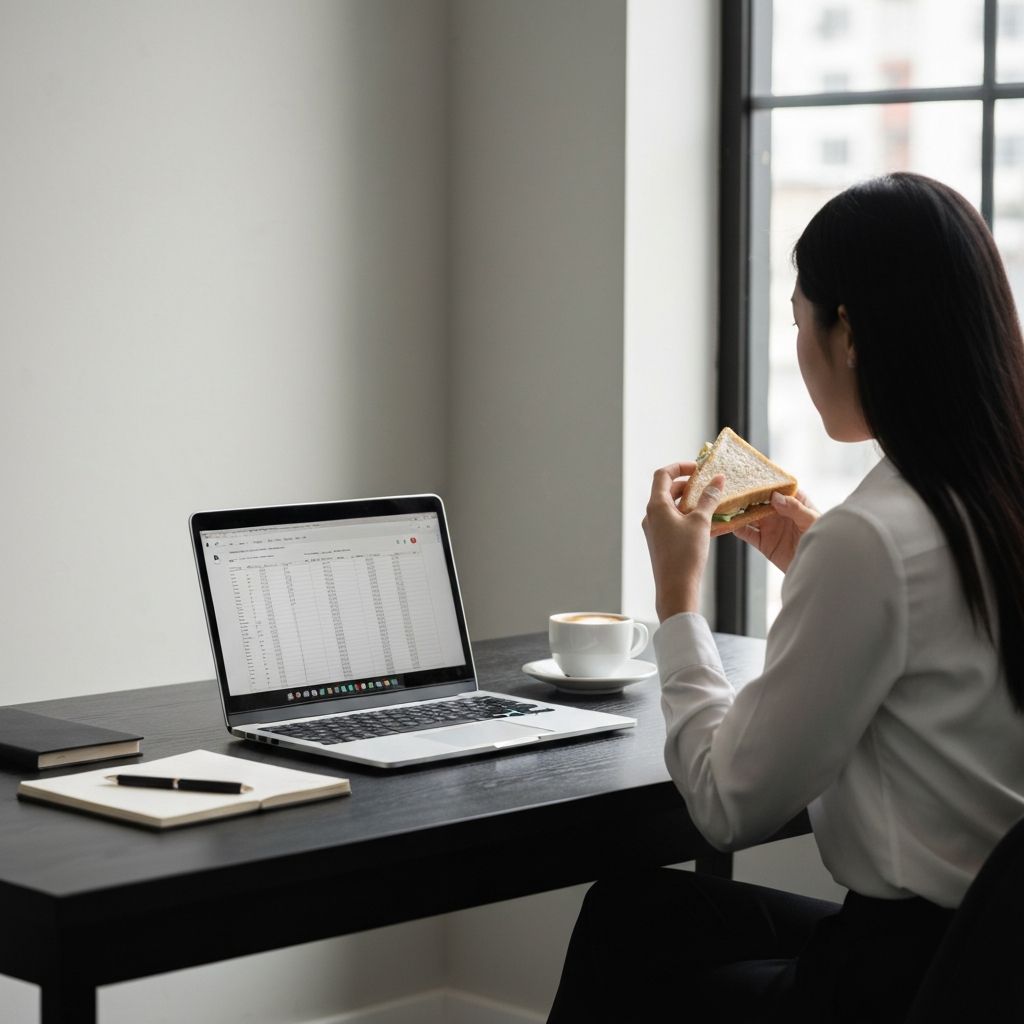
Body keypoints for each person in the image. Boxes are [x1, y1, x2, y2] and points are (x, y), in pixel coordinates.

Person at [546, 172, 1024, 1023]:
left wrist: (677, 596)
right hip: (993, 959)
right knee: (639, 915)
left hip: (901, 983)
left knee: (629, 941)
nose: (799, 348)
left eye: (801, 320)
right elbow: (945, 646)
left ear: (851, 335)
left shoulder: (873, 537)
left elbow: (729, 804)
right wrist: (815, 560)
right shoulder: (986, 496)